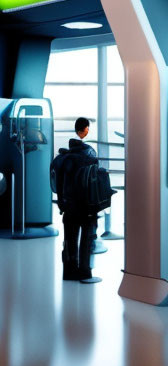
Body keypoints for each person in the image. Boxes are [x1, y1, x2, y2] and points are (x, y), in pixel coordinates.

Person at [53, 117, 99, 283]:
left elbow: (58, 183)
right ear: (86, 129)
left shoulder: (64, 157)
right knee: (87, 238)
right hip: (86, 206)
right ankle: (85, 271)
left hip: (68, 205)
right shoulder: (90, 153)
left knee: (69, 238)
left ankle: (69, 271)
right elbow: (94, 181)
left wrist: (61, 202)